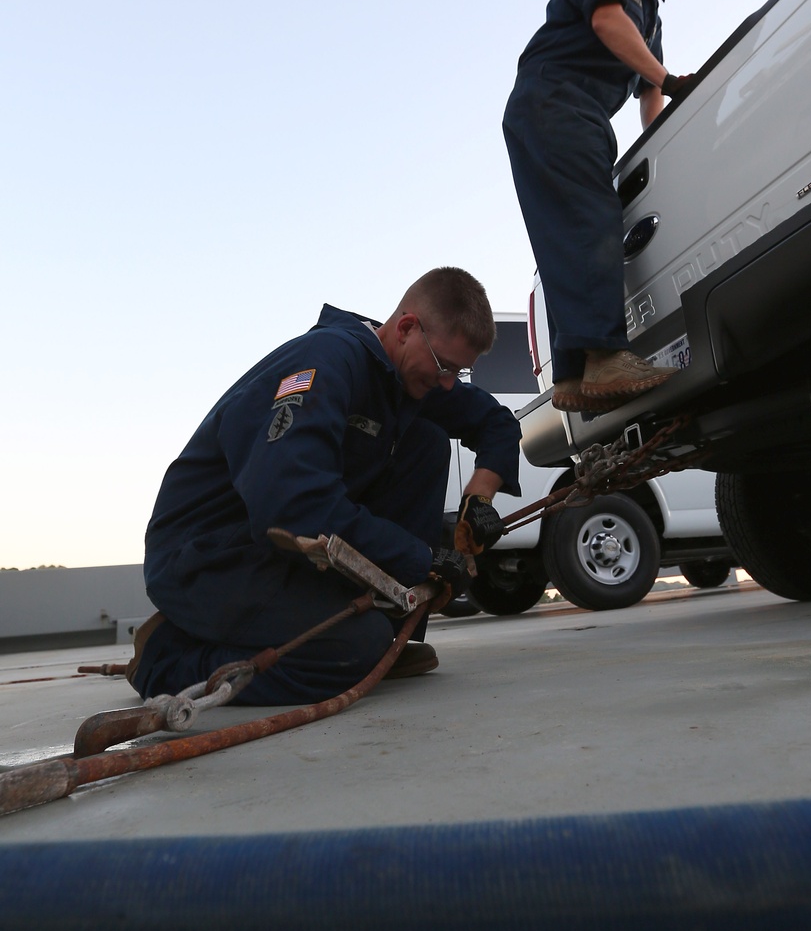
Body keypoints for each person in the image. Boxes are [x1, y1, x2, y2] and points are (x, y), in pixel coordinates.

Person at [129, 268, 521, 704]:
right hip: (210, 555)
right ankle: (166, 658)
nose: (448, 383)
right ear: (407, 328)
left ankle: (387, 640)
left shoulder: (408, 373)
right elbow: (294, 504)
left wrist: (478, 500)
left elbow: (496, 423)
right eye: (445, 366)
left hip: (276, 550)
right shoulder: (327, 360)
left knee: (426, 443)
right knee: (350, 648)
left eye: (459, 373)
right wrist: (422, 559)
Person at [503, 0, 692, 414]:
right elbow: (608, 21)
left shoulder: (651, 7)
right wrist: (674, 80)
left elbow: (649, 91)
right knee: (591, 218)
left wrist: (659, 144)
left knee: (561, 231)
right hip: (556, 101)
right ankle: (606, 356)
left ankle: (571, 377)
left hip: (565, 114)